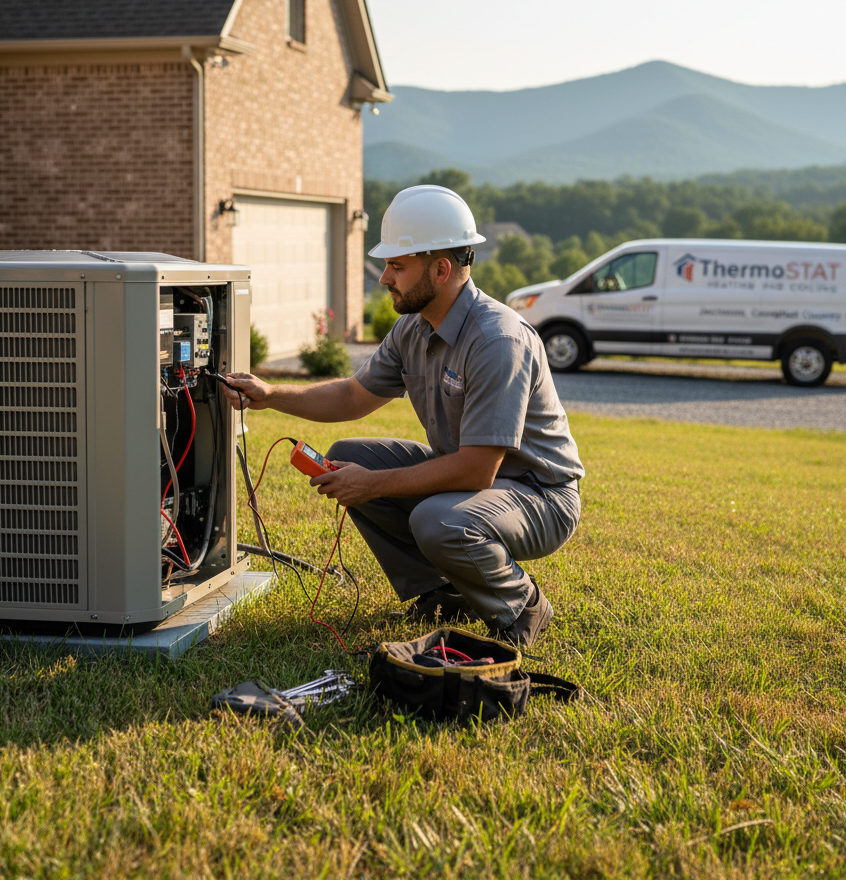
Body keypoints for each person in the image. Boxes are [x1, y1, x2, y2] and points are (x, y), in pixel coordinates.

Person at [221, 185, 584, 647]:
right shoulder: (412, 327)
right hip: (481, 484)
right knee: (347, 456)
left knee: (437, 519)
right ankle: (441, 592)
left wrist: (370, 486)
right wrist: (270, 394)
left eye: (397, 265)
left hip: (540, 495)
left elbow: (476, 469)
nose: (384, 278)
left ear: (441, 268)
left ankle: (521, 605)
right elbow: (353, 397)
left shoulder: (497, 340)